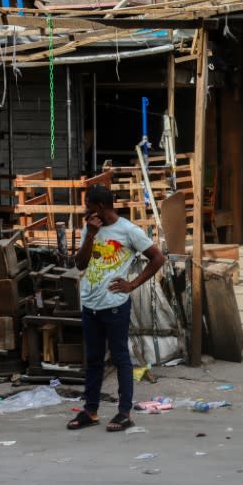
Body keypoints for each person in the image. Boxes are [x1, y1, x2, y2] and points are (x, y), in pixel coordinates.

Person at [66, 185, 166, 432]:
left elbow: (158, 258)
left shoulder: (128, 231)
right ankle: (90, 411)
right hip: (90, 305)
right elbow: (80, 264)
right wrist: (90, 234)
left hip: (114, 307)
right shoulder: (89, 228)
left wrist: (132, 284)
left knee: (121, 359)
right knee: (93, 360)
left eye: (88, 205)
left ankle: (124, 413)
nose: (85, 210)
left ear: (99, 207)